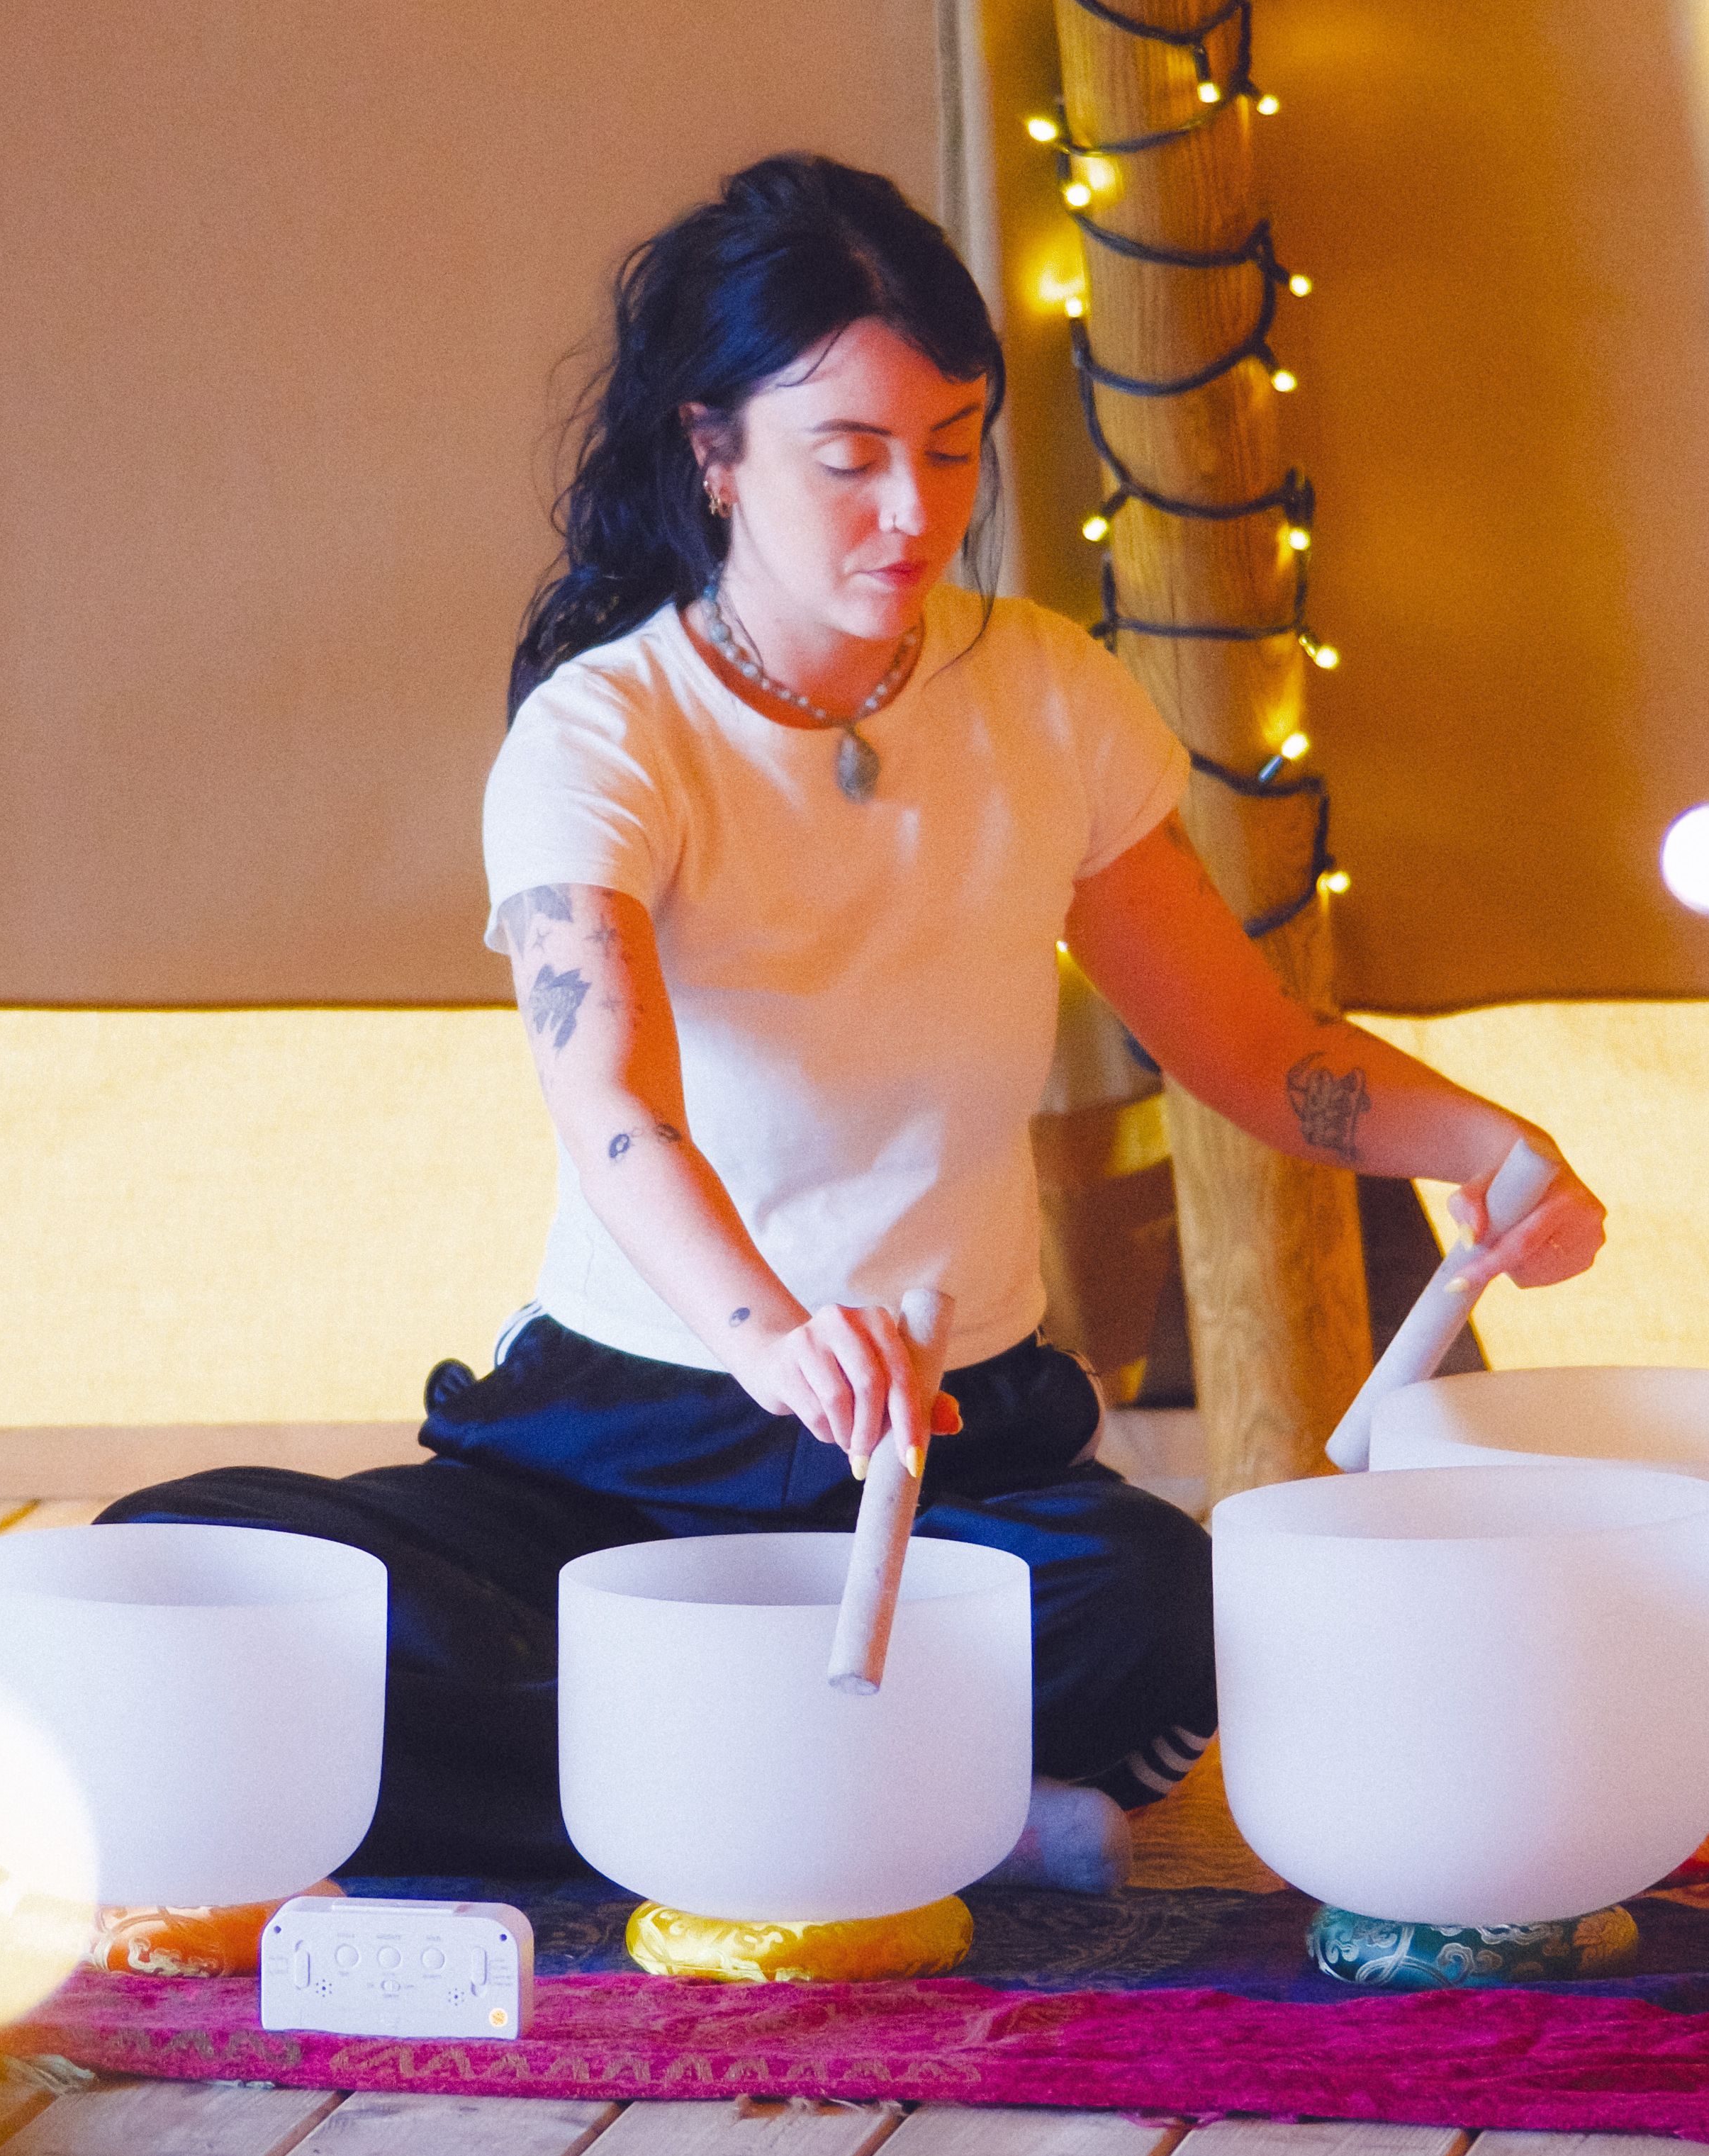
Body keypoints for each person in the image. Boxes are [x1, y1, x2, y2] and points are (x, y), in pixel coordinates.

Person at [107, 152, 1606, 1885]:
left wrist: (1487, 1148)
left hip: (951, 1446)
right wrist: (769, 1335)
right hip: (626, 1438)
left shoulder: (1050, 696)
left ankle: (714, 1790)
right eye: (851, 458)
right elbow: (611, 1106)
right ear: (712, 451)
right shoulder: (603, 739)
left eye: (952, 445)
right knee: (188, 1556)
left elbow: (1250, 1051)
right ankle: (876, 1799)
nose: (915, 509)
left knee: (1162, 1601)